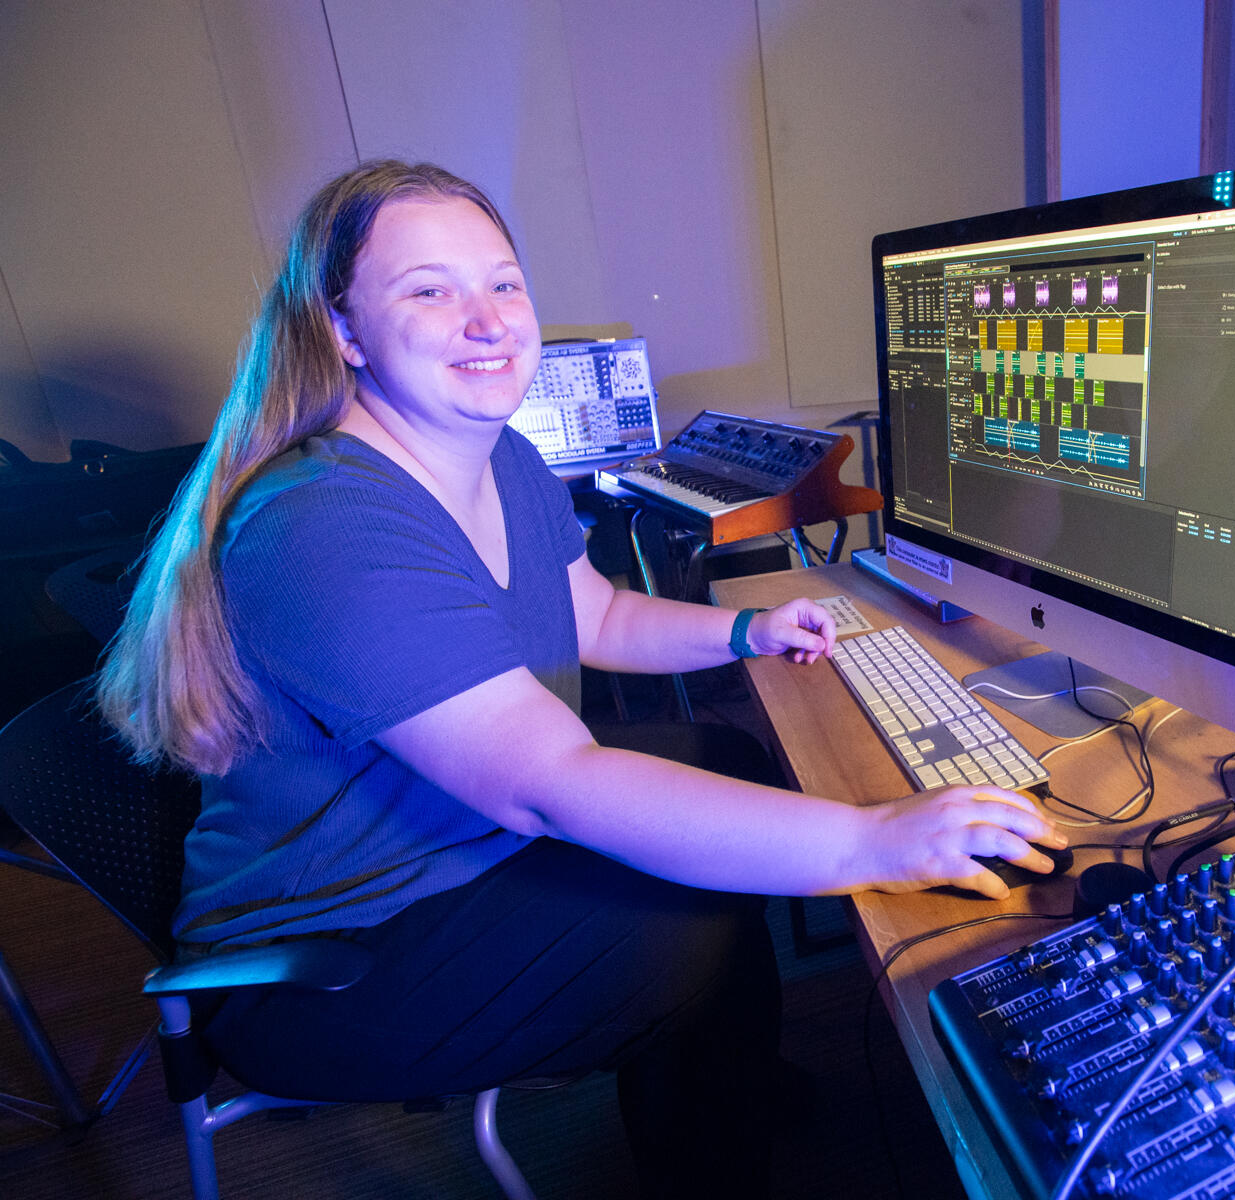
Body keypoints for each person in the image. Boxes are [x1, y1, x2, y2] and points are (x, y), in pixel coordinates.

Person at [94, 160, 1064, 1196]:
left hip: (456, 839)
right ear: (342, 331)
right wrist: (879, 841)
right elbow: (544, 779)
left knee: (727, 756)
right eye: (429, 288)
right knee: (692, 929)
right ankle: (705, 1124)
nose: (488, 320)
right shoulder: (325, 523)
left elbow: (596, 613)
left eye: (503, 282)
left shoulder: (496, 455)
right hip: (334, 952)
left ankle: (722, 1076)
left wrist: (747, 632)